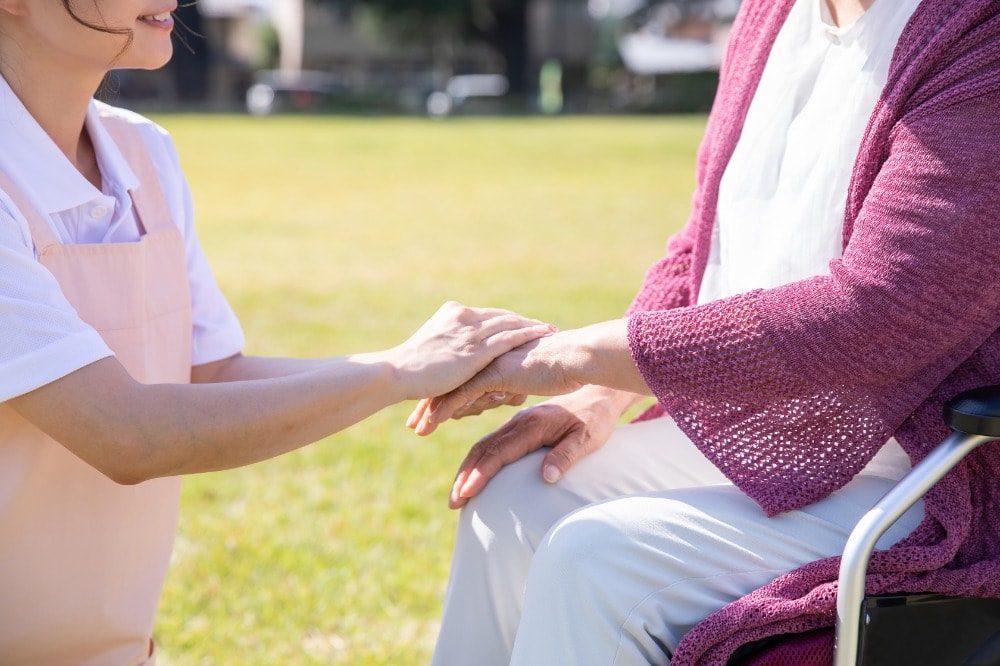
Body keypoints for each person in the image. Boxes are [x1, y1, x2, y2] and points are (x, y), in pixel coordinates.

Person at [409, 0, 1000, 663]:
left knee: (595, 562)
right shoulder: (770, 14)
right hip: (758, 434)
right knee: (513, 500)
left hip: (920, 473)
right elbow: (701, 244)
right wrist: (600, 397)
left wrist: (576, 357)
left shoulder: (978, 38)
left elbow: (879, 314)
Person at [0, 2, 557, 664]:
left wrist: (411, 364)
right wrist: (398, 372)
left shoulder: (142, 154)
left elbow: (208, 374)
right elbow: (124, 431)